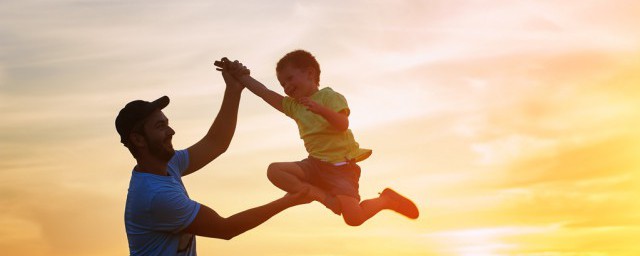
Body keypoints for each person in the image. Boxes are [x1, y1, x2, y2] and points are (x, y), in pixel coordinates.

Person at [115, 61, 312, 255]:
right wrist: (289, 200)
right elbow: (225, 228)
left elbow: (216, 143)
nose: (171, 131)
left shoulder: (169, 165)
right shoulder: (155, 196)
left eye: (167, 124)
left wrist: (234, 90)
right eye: (160, 127)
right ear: (138, 140)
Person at [218, 50, 419, 227]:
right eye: (282, 83)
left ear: (310, 73)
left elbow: (343, 124)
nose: (286, 86)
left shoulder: (329, 96)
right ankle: (322, 197)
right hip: (315, 165)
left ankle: (385, 200)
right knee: (275, 171)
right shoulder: (294, 106)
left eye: (290, 79)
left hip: (341, 169)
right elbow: (264, 92)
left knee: (354, 219)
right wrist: (241, 76)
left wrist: (321, 110)